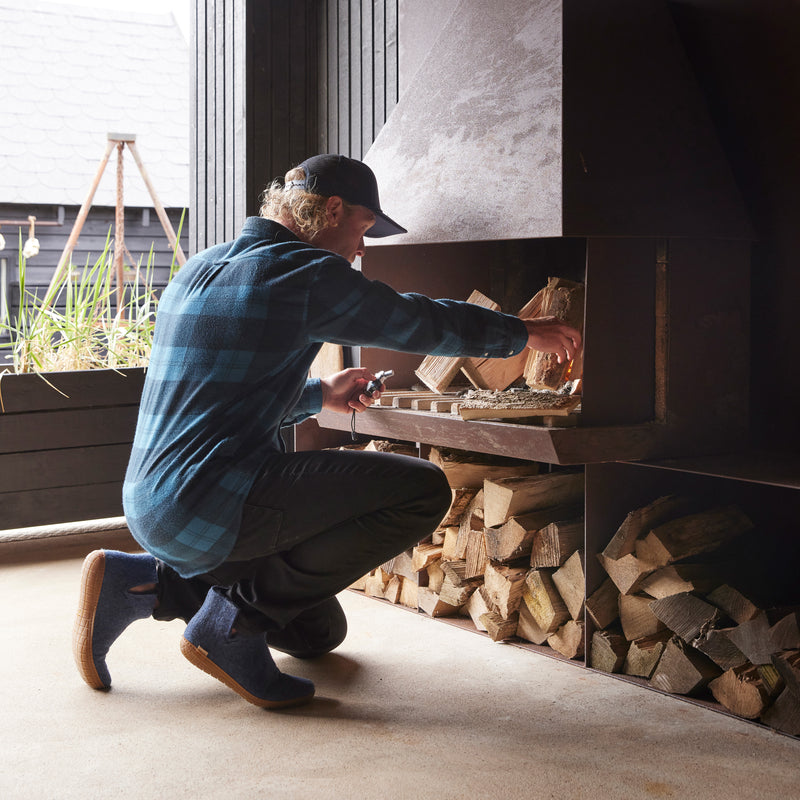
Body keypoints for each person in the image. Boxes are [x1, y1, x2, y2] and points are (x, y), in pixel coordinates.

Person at [73, 154, 582, 709]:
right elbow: (413, 319)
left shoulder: (203, 267)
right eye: (363, 228)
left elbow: (221, 396)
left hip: (154, 502)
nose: (360, 249)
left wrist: (321, 395)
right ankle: (233, 625)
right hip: (209, 502)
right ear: (333, 210)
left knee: (317, 635)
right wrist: (518, 332)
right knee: (423, 489)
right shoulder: (302, 272)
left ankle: (138, 583)